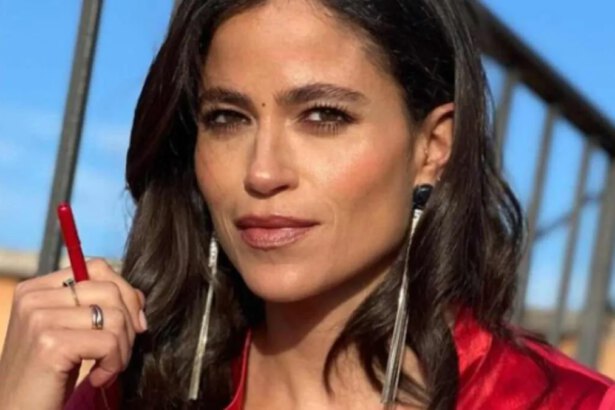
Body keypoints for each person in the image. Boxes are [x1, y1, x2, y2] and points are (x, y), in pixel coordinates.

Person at [1, 0, 614, 409]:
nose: (262, 172)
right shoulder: (126, 391)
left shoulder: (564, 402)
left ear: (432, 147)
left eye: (323, 116)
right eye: (227, 118)